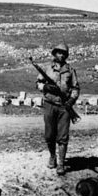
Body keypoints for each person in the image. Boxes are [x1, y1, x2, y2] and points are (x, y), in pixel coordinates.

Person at [36, 43, 80, 175]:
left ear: (66, 55)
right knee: (49, 135)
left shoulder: (70, 70)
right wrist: (45, 88)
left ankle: (61, 163)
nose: (61, 55)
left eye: (63, 53)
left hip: (64, 107)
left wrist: (71, 100)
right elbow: (38, 82)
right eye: (58, 52)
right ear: (54, 54)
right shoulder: (47, 69)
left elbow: (76, 88)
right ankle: (52, 157)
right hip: (49, 104)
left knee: (63, 137)